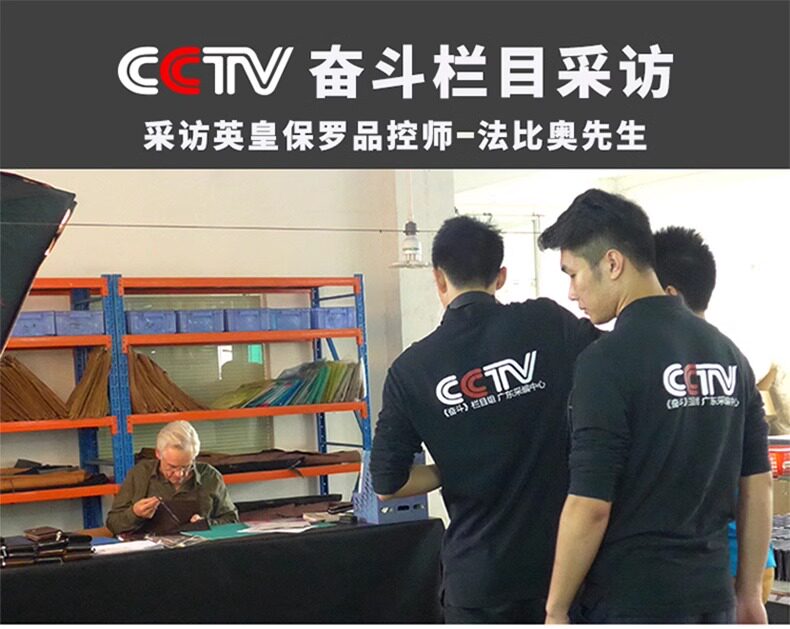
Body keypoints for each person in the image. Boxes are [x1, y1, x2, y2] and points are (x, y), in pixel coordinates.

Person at [538, 189, 772, 624]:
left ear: (612, 264)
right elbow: (757, 485)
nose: (571, 293)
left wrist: (557, 608)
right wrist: (748, 593)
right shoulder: (728, 354)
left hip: (632, 602)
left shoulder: (605, 361)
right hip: (712, 599)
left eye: (573, 274)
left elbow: (590, 505)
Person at [370, 215, 600, 623]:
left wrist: (452, 468)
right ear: (501, 276)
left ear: (439, 278)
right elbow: (620, 362)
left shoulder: (412, 370)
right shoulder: (547, 323)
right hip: (562, 571)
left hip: (479, 580)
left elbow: (388, 484)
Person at [654, 225, 777, 606]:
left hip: (716, 568)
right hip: (753, 562)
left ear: (669, 295)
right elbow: (760, 480)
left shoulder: (663, 370)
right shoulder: (732, 359)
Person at [106, 420, 239, 535]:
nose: (179, 474)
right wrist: (135, 513)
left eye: (186, 467)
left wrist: (206, 524)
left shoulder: (210, 476)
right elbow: (113, 524)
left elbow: (232, 520)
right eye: (172, 467)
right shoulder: (140, 474)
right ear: (158, 454)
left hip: (198, 550)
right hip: (152, 552)